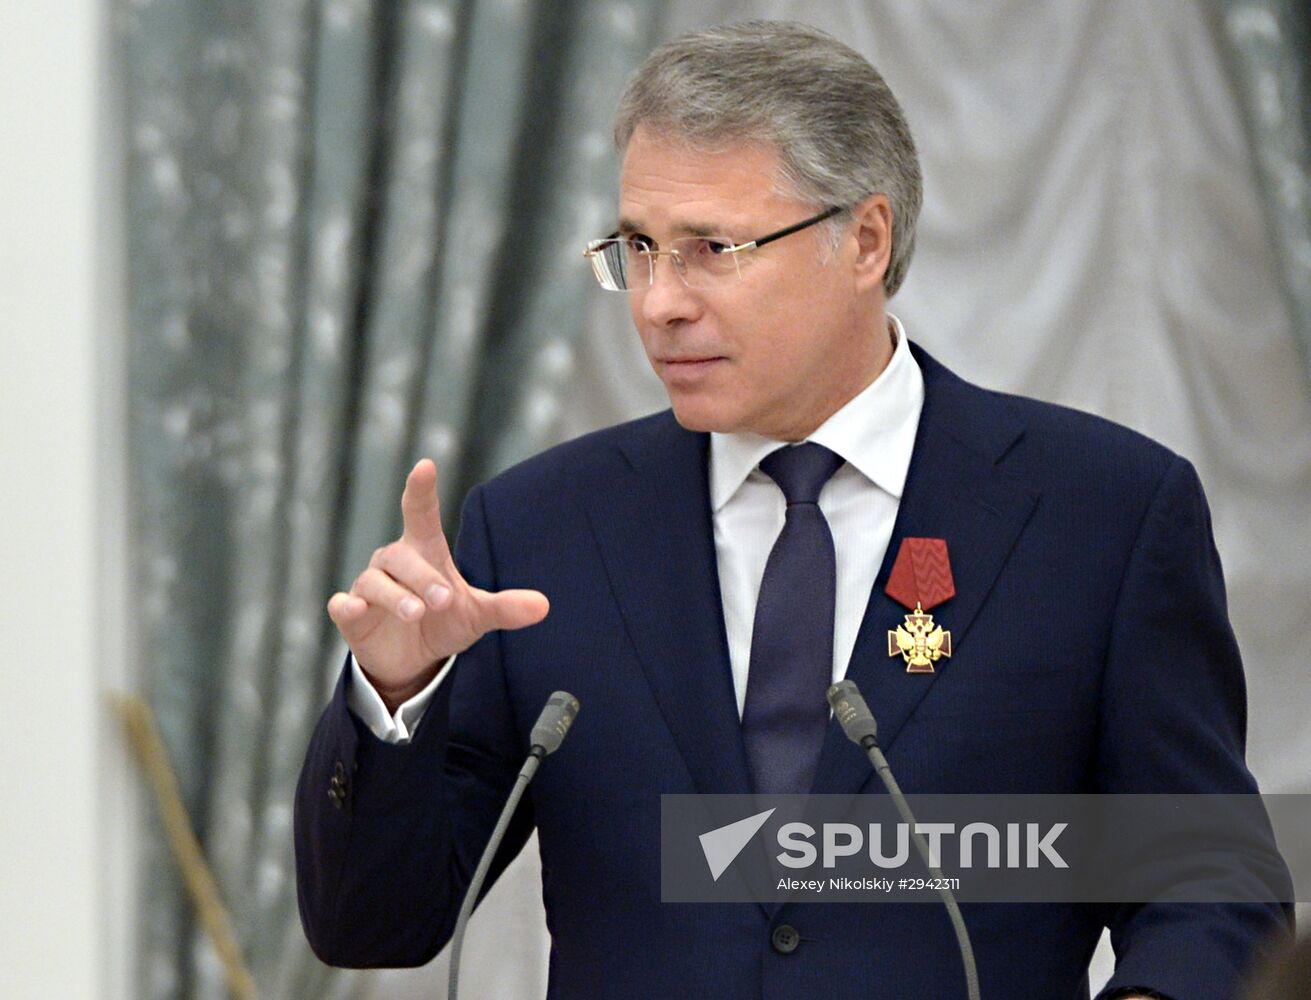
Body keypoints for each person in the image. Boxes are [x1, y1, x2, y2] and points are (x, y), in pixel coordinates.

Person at [295, 20, 1290, 999]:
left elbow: (1210, 891)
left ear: (864, 239)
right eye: (639, 247)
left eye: (712, 248)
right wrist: (395, 694)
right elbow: (377, 922)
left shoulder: (1100, 515)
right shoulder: (544, 528)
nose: (658, 302)